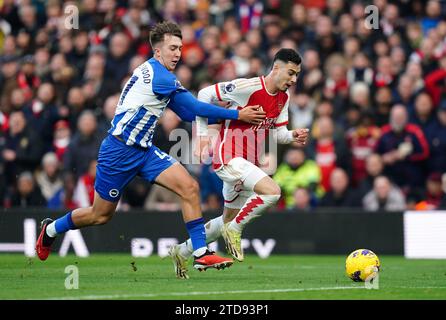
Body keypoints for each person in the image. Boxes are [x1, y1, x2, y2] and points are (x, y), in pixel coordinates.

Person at [35, 21, 266, 274]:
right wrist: (237, 114)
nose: (178, 53)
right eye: (172, 48)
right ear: (158, 51)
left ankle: (201, 253)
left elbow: (188, 115)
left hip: (144, 151)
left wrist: (230, 118)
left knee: (189, 187)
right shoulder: (160, 76)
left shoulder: (159, 74)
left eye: (179, 48)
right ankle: (51, 229)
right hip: (118, 151)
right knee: (99, 215)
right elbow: (196, 109)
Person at [170, 48, 309, 279]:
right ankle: (235, 231)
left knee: (226, 218)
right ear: (276, 68)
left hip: (248, 165)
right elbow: (204, 94)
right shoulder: (249, 87)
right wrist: (203, 134)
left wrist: (293, 136)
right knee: (273, 192)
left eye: (297, 75)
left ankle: (181, 251)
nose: (294, 80)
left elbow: (277, 133)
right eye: (291, 73)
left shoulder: (284, 97)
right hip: (229, 159)